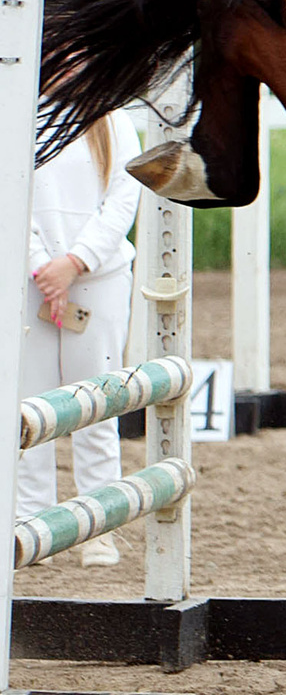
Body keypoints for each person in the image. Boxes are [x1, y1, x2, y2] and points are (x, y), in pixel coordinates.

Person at [16, 106, 141, 567]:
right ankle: (31, 524)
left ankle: (99, 529)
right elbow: (13, 191)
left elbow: (123, 198)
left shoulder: (115, 120)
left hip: (99, 279)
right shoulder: (21, 111)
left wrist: (76, 262)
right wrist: (42, 267)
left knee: (97, 405)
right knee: (29, 407)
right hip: (30, 280)